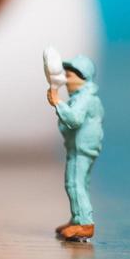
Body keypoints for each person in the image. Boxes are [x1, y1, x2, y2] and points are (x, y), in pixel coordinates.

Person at [47, 55, 102, 241]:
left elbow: (74, 119)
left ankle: (85, 224)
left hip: (81, 149)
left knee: (75, 183)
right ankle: (77, 219)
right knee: (78, 183)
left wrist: (57, 102)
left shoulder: (84, 98)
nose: (65, 80)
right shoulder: (82, 97)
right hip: (77, 147)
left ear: (83, 77)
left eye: (69, 76)